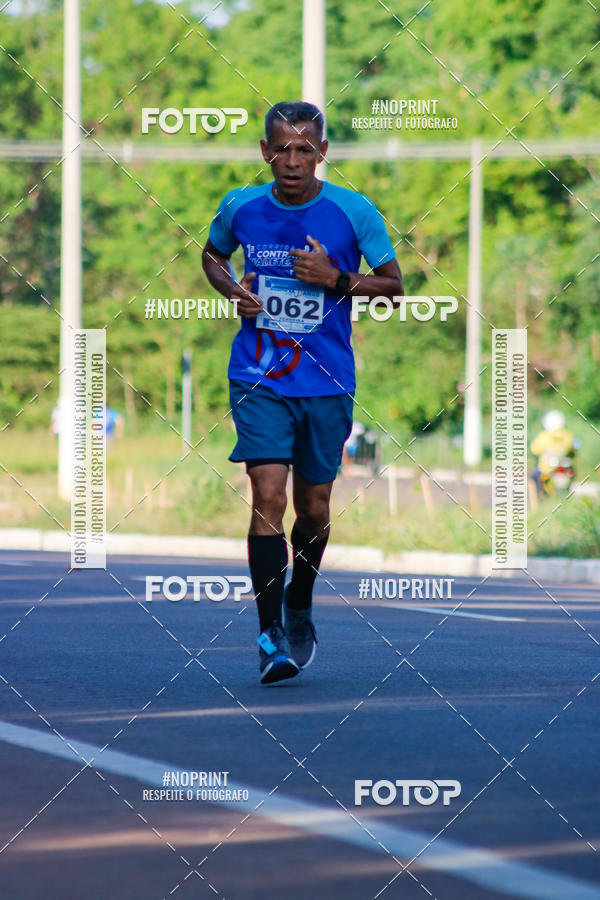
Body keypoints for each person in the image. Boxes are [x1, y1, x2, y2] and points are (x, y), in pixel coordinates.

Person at [202, 100, 403, 684]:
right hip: (258, 374)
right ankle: (269, 636)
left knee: (313, 507)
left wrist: (336, 279)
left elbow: (394, 285)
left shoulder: (353, 210)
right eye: (282, 149)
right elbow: (212, 255)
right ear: (265, 152)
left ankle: (300, 602)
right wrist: (230, 287)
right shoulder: (241, 206)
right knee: (267, 492)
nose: (292, 161)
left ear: (321, 154)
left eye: (305, 150)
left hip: (327, 381)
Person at [531, 410, 578, 493]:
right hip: (563, 468)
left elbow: (535, 450)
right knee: (572, 472)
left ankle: (538, 501)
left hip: (546, 469)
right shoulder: (567, 435)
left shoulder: (544, 436)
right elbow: (572, 450)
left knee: (534, 477)